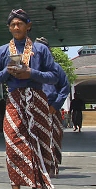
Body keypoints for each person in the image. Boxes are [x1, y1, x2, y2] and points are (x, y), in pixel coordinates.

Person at [0, 8, 59, 189]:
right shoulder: (2, 51)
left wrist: (31, 72)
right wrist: (6, 72)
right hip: (14, 98)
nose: (16, 27)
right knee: (12, 143)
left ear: (29, 26)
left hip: (37, 98)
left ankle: (45, 186)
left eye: (20, 24)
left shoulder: (40, 49)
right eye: (12, 24)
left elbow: (54, 76)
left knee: (40, 142)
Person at [35, 37, 70, 176]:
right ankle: (39, 167)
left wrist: (55, 105)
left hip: (51, 108)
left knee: (53, 137)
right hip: (34, 108)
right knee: (36, 138)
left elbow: (65, 88)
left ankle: (52, 166)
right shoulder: (30, 68)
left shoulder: (56, 68)